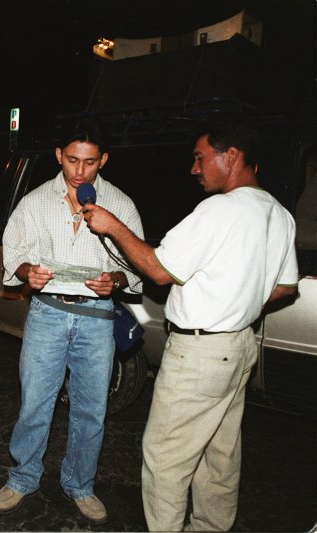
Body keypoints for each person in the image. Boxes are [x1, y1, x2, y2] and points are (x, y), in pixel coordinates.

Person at [83, 116, 299, 531]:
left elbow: (158, 270)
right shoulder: (278, 212)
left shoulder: (219, 209)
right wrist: (239, 298)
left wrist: (113, 226)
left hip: (199, 354)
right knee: (219, 454)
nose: (193, 169)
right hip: (238, 346)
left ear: (230, 156)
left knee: (166, 457)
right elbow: (285, 287)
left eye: (200, 158)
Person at [0, 117, 143, 525]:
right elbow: (14, 253)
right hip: (48, 314)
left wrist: (117, 279)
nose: (79, 172)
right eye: (72, 160)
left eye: (90, 162)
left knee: (91, 409)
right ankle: (22, 477)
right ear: (59, 156)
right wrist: (28, 273)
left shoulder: (121, 204)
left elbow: (138, 266)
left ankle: (80, 484)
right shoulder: (35, 201)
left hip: (96, 319)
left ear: (103, 161)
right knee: (35, 402)